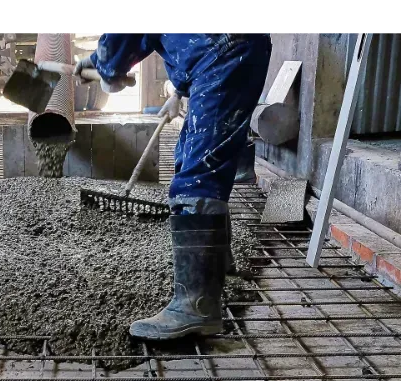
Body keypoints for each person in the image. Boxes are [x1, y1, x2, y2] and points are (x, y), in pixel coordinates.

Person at [75, 32, 271, 340]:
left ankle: (196, 305)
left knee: (197, 174)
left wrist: (107, 66)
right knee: (200, 156)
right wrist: (178, 91)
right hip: (236, 48)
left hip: (222, 55)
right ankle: (217, 261)